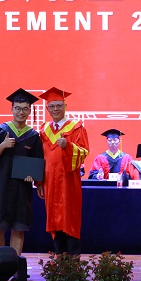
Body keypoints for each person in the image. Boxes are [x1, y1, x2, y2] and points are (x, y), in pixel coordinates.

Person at [0, 88, 44, 255]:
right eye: (17, 108)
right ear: (11, 109)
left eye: (25, 109)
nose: (21, 112)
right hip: (1, 186)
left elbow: (38, 161)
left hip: (21, 188)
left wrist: (35, 178)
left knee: (19, 227)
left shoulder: (33, 136)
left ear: (30, 111)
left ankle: (15, 263)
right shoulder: (0, 131)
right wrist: (2, 146)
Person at [38, 87, 89, 255]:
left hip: (69, 182)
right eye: (51, 106)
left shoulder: (76, 128)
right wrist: (39, 182)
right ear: (47, 109)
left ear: (65, 106)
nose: (55, 109)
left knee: (70, 218)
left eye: (59, 105)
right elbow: (39, 157)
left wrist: (68, 146)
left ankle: (72, 262)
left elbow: (84, 152)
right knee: (54, 219)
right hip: (50, 182)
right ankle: (59, 260)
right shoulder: (44, 130)